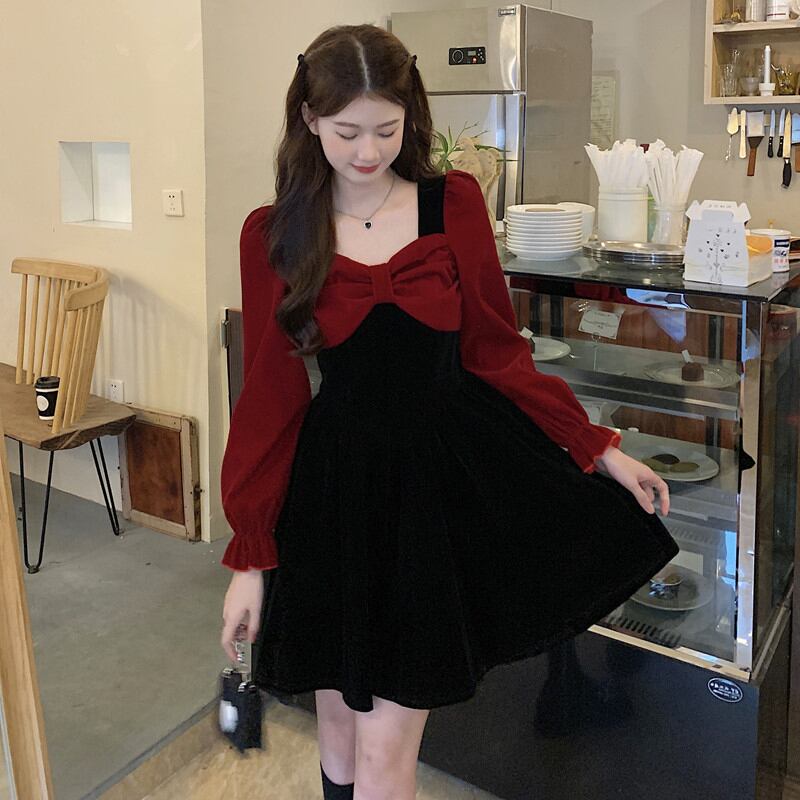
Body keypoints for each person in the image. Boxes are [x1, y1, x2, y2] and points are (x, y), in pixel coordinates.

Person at [219, 23, 678, 800]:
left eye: (387, 129)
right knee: (338, 733)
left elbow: (497, 351)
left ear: (411, 115)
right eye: (347, 132)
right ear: (309, 119)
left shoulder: (453, 203)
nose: (369, 151)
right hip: (332, 496)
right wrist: (251, 556)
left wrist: (595, 446)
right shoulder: (276, 231)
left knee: (384, 754)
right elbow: (269, 398)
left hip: (435, 494)